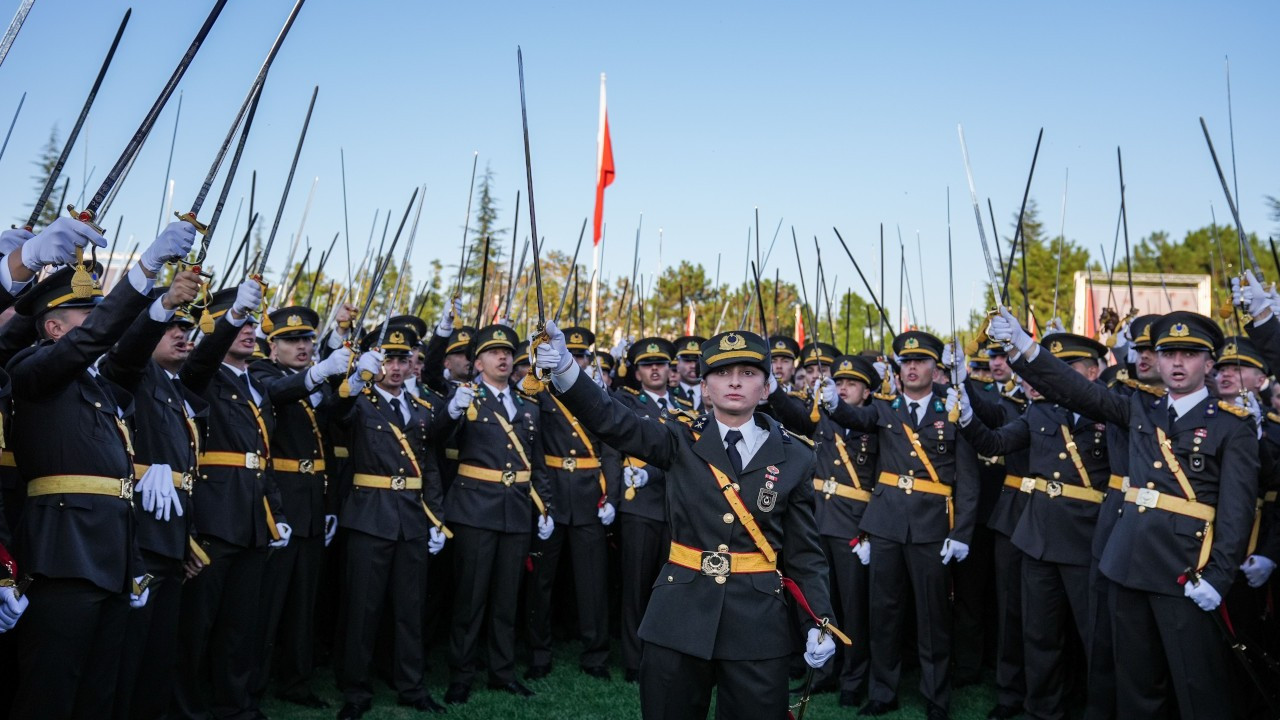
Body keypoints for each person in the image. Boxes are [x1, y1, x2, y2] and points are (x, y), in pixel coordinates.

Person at [538, 323, 841, 719]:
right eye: (721, 373)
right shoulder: (678, 439)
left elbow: (805, 554)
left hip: (757, 623)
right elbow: (614, 420)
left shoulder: (796, 457)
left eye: (748, 373)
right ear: (704, 387)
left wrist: (820, 621)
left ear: (766, 389)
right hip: (679, 614)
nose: (734, 382)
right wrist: (565, 369)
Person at [990, 307, 1257, 720]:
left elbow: (1237, 512)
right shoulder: (1138, 408)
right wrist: (1025, 345)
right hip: (1127, 564)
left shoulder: (1231, 425)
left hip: (1187, 570)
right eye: (1168, 354)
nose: (1177, 363)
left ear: (1209, 362)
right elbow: (1074, 389)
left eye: (1189, 354)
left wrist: (1219, 577)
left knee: (1197, 685)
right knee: (1135, 684)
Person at [7, 218, 195, 718]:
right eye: (83, 315)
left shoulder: (97, 386)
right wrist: (143, 270)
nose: (96, 323)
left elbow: (127, 355)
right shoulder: (32, 370)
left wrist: (161, 305)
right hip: (62, 555)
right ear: (53, 328)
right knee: (50, 692)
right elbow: (88, 345)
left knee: (98, 693)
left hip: (112, 557)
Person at [820, 330, 980, 720]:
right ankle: (882, 692)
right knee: (884, 615)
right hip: (886, 525)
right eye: (906, 361)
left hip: (931, 528)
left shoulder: (952, 409)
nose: (912, 367)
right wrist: (831, 404)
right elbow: (854, 415)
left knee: (932, 619)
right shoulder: (885, 408)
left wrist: (961, 534)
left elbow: (969, 480)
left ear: (933, 368)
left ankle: (936, 698)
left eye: (920, 361)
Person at [951, 333, 1112, 720]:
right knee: (1038, 634)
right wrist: (969, 417)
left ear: (1094, 372)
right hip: (1038, 536)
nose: (1055, 377)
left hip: (1089, 537)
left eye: (1067, 369)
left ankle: (1100, 708)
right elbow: (994, 443)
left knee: (1095, 637)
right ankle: (1042, 710)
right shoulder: (1040, 413)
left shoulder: (1111, 413)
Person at [172, 280, 293, 719]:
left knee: (241, 627)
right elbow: (202, 358)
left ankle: (235, 706)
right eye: (233, 323)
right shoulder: (201, 374)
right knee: (196, 627)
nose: (246, 331)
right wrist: (232, 317)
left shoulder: (255, 383)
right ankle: (187, 709)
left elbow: (262, 457)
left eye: (247, 323)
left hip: (252, 518)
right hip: (213, 516)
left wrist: (275, 514)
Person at [97, 271, 207, 720]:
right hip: (139, 534)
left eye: (187, 328)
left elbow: (187, 472)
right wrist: (156, 308)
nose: (182, 334)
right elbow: (124, 358)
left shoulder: (175, 389)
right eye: (170, 327)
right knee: (129, 654)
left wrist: (189, 539)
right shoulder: (133, 373)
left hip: (170, 536)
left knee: (158, 655)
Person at [335, 327, 450, 719]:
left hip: (412, 519)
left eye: (403, 359)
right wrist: (352, 380)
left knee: (410, 609)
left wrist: (436, 517)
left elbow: (429, 467)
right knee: (363, 611)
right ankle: (356, 691)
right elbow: (333, 413)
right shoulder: (360, 402)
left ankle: (412, 687)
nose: (396, 367)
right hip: (370, 515)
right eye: (388, 359)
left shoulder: (420, 409)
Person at [439, 324, 554, 704]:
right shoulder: (465, 398)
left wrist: (545, 506)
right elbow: (437, 438)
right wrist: (452, 410)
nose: (503, 357)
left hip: (516, 510)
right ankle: (462, 674)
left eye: (507, 352)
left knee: (507, 598)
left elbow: (536, 462)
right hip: (474, 508)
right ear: (478, 362)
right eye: (493, 352)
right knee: (470, 599)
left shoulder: (526, 403)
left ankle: (502, 672)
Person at [250, 306, 351, 709]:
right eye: (293, 340)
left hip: (311, 503)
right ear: (272, 347)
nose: (303, 346)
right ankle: (252, 688)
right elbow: (278, 393)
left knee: (302, 604)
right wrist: (320, 372)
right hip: (280, 504)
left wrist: (352, 382)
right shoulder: (262, 374)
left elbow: (330, 425)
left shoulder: (315, 383)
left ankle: (296, 680)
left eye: (308, 339)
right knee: (269, 604)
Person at [768, 353, 881, 708]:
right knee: (821, 605)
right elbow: (794, 416)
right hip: (819, 520)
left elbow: (883, 480)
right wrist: (773, 389)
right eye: (840, 382)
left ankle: (853, 678)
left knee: (853, 607)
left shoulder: (876, 423)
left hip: (854, 525)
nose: (844, 388)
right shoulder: (823, 416)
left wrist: (871, 530)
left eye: (852, 384)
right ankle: (826, 672)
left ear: (866, 392)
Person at [525, 326, 619, 680]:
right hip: (551, 494)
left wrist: (612, 497)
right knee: (542, 582)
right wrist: (541, 499)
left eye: (581, 356)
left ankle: (595, 656)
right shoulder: (541, 392)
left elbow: (610, 448)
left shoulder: (595, 395)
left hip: (589, 497)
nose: (576, 361)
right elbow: (532, 447)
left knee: (593, 584)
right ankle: (538, 654)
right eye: (571, 355)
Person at [612, 337, 692, 683]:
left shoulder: (685, 403)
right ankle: (634, 659)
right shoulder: (627, 401)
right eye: (647, 364)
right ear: (637, 372)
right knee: (635, 587)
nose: (656, 369)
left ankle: (666, 656)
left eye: (661, 363)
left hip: (675, 506)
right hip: (640, 505)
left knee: (671, 589)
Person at [672, 335, 707, 411]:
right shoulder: (668, 394)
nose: (693, 366)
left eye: (698, 361)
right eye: (687, 361)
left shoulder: (714, 395)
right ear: (677, 365)